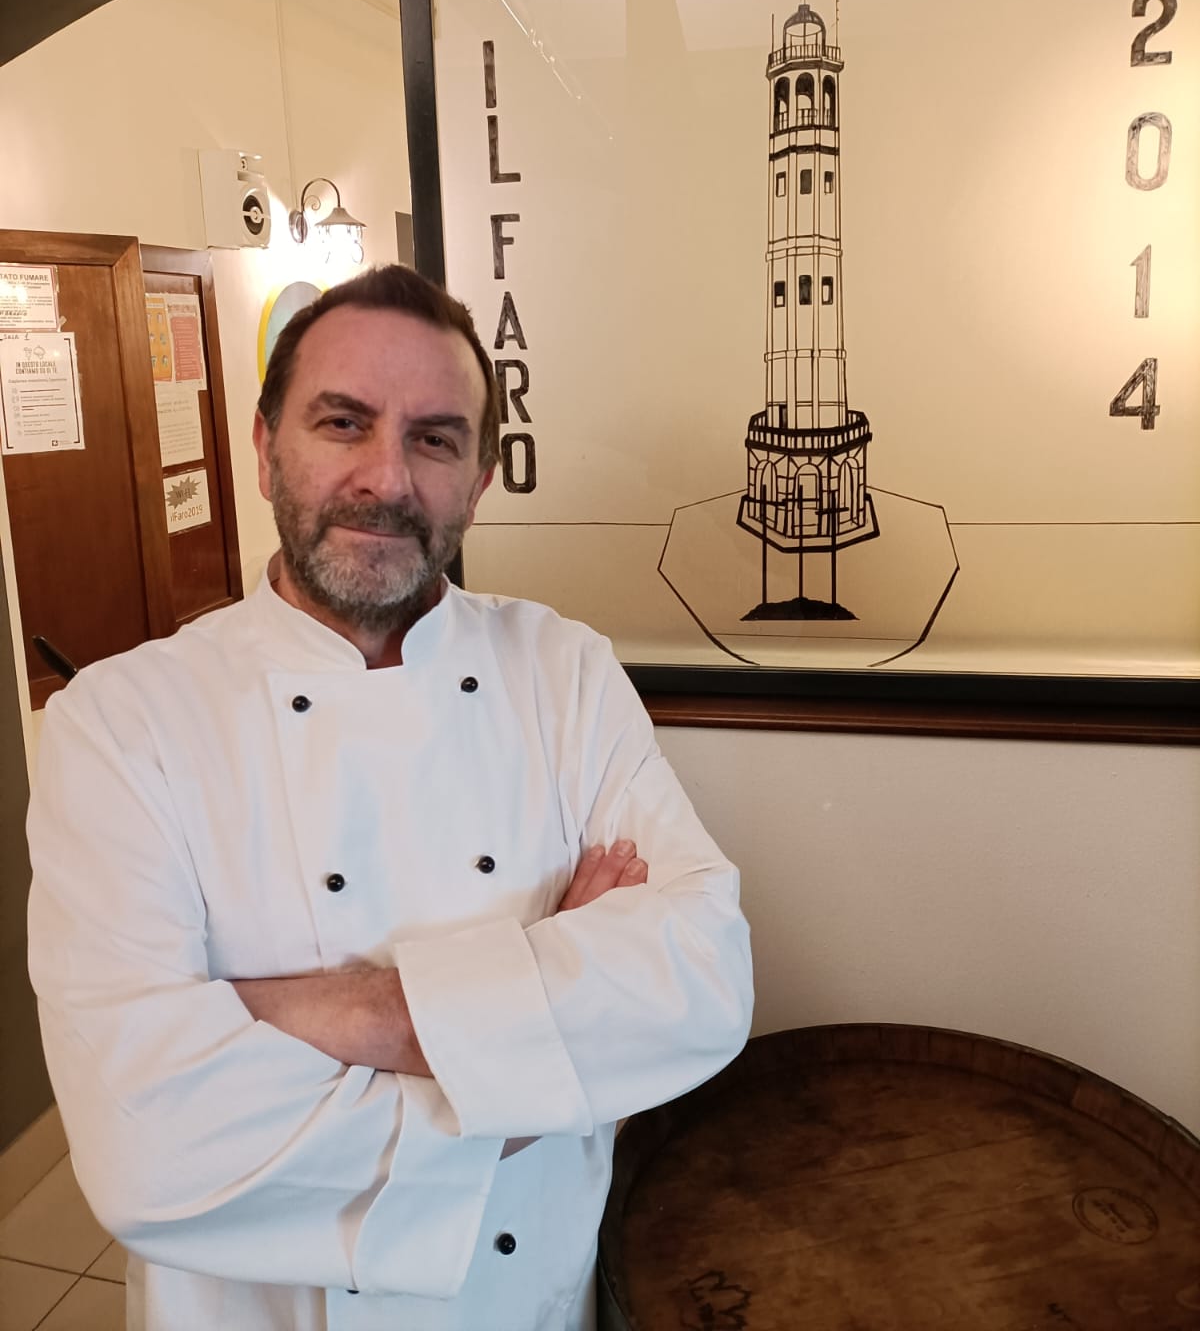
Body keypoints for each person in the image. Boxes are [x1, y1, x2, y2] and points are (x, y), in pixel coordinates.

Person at [27, 264, 753, 1331]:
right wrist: (544, 1025)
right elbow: (149, 1154)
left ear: (480, 478)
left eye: (435, 438)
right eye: (343, 422)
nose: (387, 476)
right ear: (265, 445)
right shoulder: (122, 722)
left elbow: (702, 985)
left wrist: (310, 1011)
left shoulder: (564, 669)